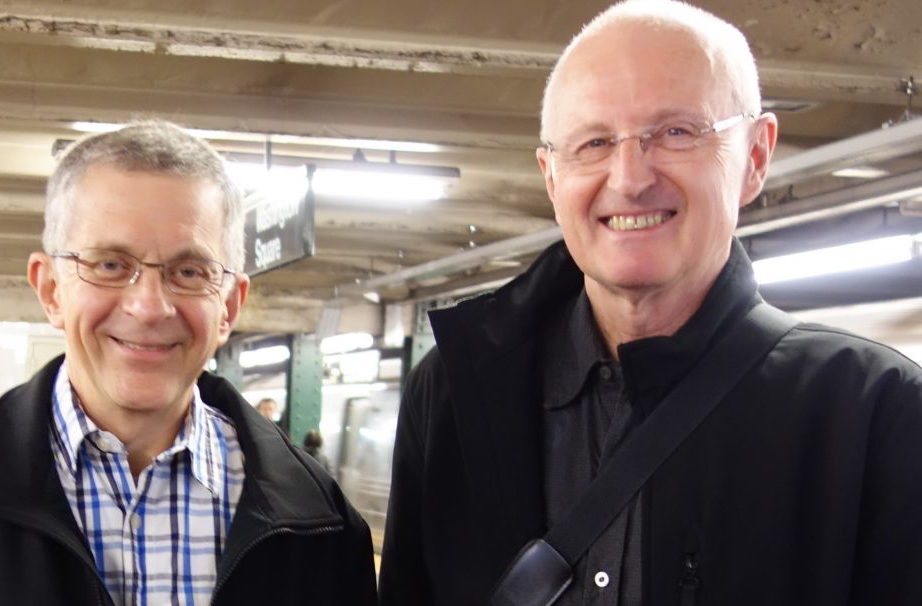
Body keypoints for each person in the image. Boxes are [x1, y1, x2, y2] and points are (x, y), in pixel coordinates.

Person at [378, 2, 922, 605]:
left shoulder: (876, 413)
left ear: (756, 157)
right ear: (551, 175)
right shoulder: (453, 396)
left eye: (676, 132)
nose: (630, 177)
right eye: (594, 142)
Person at [0, 121, 377, 605]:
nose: (149, 307)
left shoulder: (322, 522)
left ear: (229, 306)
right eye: (110, 265)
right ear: (51, 290)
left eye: (190, 272)